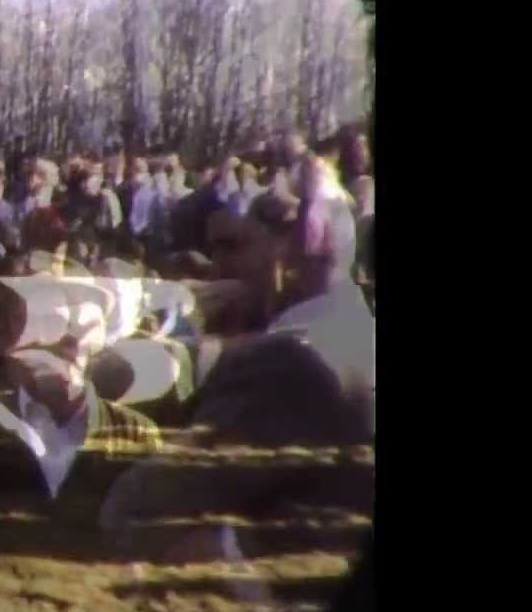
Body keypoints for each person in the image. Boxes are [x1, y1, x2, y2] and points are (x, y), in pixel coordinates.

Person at [98, 155, 374, 566]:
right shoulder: (360, 331)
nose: (218, 266)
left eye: (237, 246)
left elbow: (135, 506)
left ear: (287, 254)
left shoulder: (284, 363)